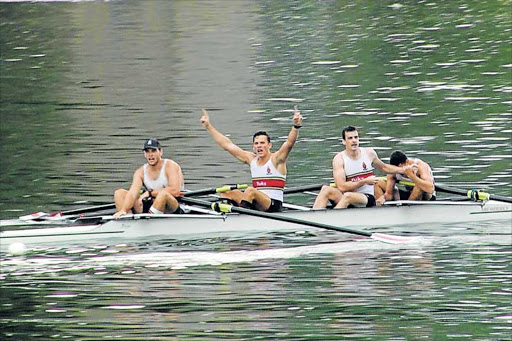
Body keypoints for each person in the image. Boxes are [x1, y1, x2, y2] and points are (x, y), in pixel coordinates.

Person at [200, 106, 303, 212]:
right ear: (253, 146)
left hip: (273, 205)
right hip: (255, 202)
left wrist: (295, 126)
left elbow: (289, 143)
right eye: (256, 143)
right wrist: (208, 126)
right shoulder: (251, 159)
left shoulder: (277, 159)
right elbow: (227, 145)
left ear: (269, 145)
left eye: (262, 143)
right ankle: (228, 217)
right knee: (226, 191)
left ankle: (242, 216)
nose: (259, 146)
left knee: (250, 191)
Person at [312, 126, 416, 209]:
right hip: (346, 196)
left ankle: (330, 221)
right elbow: (342, 187)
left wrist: (404, 170)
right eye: (350, 138)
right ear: (344, 141)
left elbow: (384, 168)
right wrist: (364, 181)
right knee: (325, 189)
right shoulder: (338, 159)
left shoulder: (369, 153)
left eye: (356, 137)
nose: (354, 141)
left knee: (348, 196)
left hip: (366, 198)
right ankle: (315, 218)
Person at [113, 138, 185, 218]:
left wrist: (150, 193)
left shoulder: (170, 166)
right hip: (151, 204)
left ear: (160, 152)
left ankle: (150, 221)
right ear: (145, 154)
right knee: (119, 193)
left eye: (153, 151)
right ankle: (126, 220)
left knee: (163, 195)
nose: (150, 154)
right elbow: (132, 193)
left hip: (173, 206)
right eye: (147, 151)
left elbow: (175, 191)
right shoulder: (140, 172)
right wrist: (124, 209)